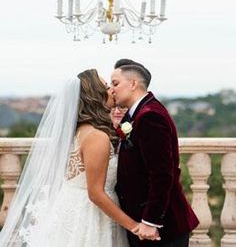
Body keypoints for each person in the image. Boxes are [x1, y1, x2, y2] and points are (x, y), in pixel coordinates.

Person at [0, 69, 147, 247]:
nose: (112, 90)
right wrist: (134, 227)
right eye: (107, 87)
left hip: (71, 209)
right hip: (90, 217)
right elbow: (96, 194)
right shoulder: (97, 137)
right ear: (95, 95)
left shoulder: (78, 130)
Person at [111, 59, 199, 247]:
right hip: (140, 220)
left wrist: (151, 221)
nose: (112, 89)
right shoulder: (135, 114)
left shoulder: (150, 116)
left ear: (133, 84)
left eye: (115, 83)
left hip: (161, 228)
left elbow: (162, 174)